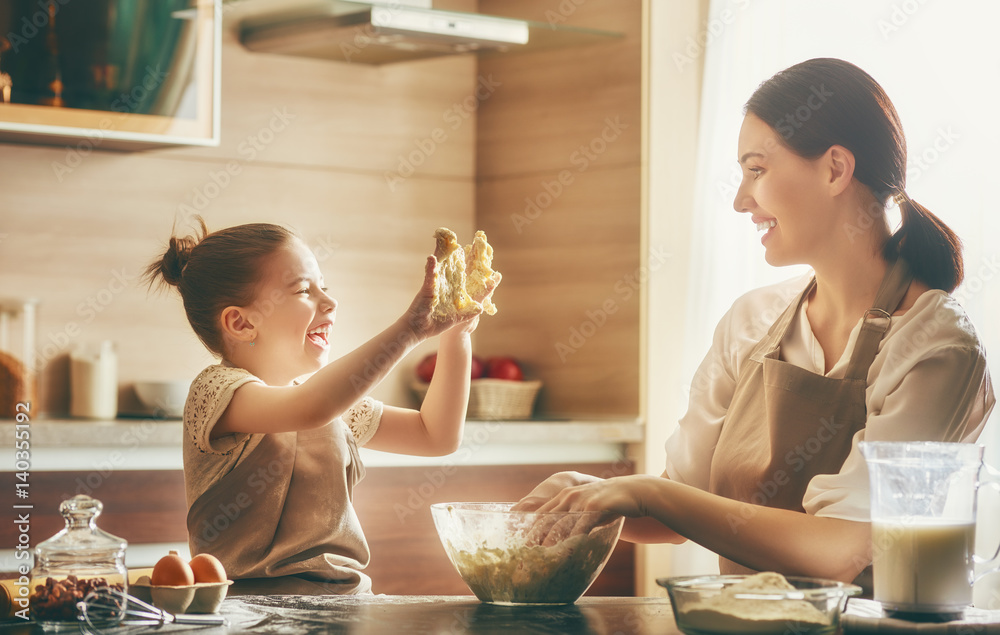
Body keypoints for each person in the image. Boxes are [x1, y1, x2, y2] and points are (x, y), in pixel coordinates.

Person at [516, 58, 995, 590]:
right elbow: (681, 502)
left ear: (835, 169)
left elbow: (843, 548)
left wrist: (647, 492)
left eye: (757, 170)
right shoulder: (752, 321)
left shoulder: (935, 346)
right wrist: (591, 495)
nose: (742, 200)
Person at [144, 218, 497, 595]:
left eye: (323, 287)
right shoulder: (217, 391)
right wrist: (410, 330)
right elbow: (310, 408)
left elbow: (435, 435)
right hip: (245, 612)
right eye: (302, 291)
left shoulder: (327, 402)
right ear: (241, 323)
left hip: (343, 605)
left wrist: (457, 331)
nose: (330, 302)